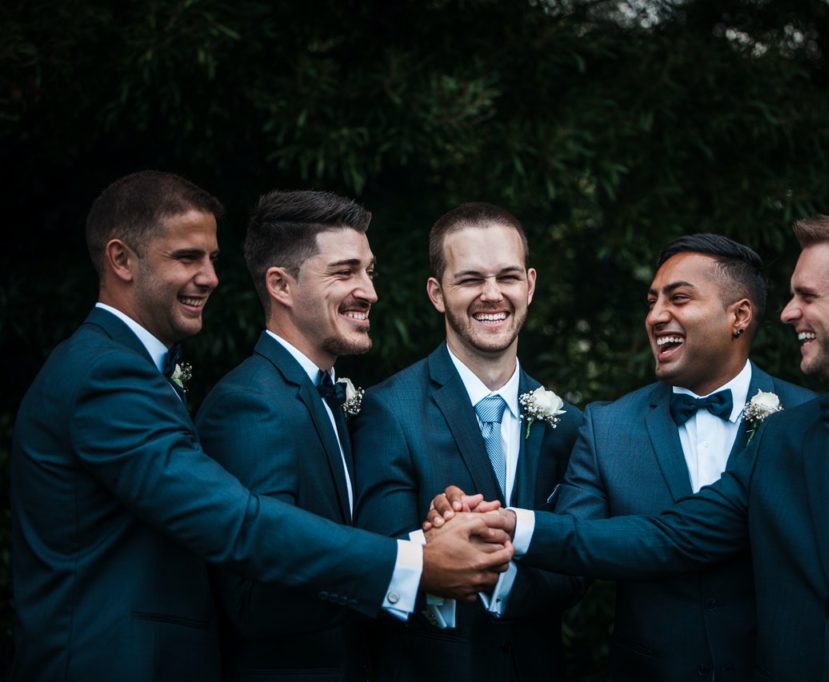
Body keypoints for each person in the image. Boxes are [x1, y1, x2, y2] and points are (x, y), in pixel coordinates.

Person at [452, 212, 829, 680]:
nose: (788, 313)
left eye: (807, 296)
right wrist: (509, 524)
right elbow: (669, 536)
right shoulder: (785, 440)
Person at [10, 172, 512, 682]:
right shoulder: (112, 374)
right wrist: (415, 564)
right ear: (121, 260)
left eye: (211, 259)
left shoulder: (137, 371)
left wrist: (432, 526)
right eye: (187, 258)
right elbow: (239, 526)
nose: (210, 277)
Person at [552, 234, 812, 681]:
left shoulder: (808, 420)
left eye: (679, 298)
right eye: (652, 301)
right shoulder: (607, 427)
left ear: (739, 316)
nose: (655, 317)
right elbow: (573, 551)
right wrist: (488, 545)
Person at [351, 202, 584, 682]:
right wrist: (436, 541)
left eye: (508, 277)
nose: (492, 295)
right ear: (437, 293)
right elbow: (380, 556)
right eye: (471, 279)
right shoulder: (388, 411)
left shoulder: (568, 425)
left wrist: (475, 548)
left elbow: (578, 564)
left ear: (531, 284)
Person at [195, 190, 386, 680]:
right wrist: (408, 572)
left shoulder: (325, 396)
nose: (369, 291)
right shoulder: (251, 404)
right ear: (281, 285)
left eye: (369, 271)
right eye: (344, 273)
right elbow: (258, 598)